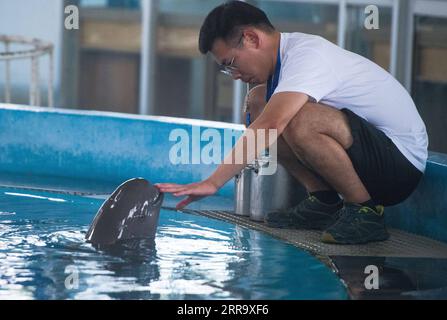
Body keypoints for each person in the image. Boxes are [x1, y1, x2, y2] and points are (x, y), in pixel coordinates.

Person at [156, 1, 428, 245]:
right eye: (227, 69)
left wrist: (214, 182)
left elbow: (272, 125)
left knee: (294, 118)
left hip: (399, 164)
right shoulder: (283, 64)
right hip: (370, 154)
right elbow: (265, 119)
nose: (234, 75)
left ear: (251, 38)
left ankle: (365, 212)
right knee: (258, 102)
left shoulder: (307, 55)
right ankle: (324, 201)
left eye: (231, 63)